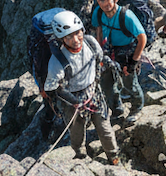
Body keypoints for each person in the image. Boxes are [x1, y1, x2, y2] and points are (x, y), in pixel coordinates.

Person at [44, 11, 119, 164]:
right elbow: (53, 87)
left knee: (104, 125)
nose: (76, 39)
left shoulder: (90, 42)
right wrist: (74, 101)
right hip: (72, 100)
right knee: (77, 131)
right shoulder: (57, 61)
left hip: (93, 91)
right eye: (69, 36)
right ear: (62, 39)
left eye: (78, 33)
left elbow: (99, 58)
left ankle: (113, 155)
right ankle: (80, 154)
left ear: (82, 30)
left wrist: (108, 65)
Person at [91, 0, 147, 123]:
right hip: (107, 51)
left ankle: (137, 108)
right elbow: (98, 30)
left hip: (127, 52)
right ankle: (117, 110)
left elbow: (142, 38)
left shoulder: (126, 16)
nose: (104, 4)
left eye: (107, 0)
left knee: (129, 83)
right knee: (106, 84)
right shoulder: (98, 12)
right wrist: (99, 52)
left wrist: (134, 61)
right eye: (101, 0)